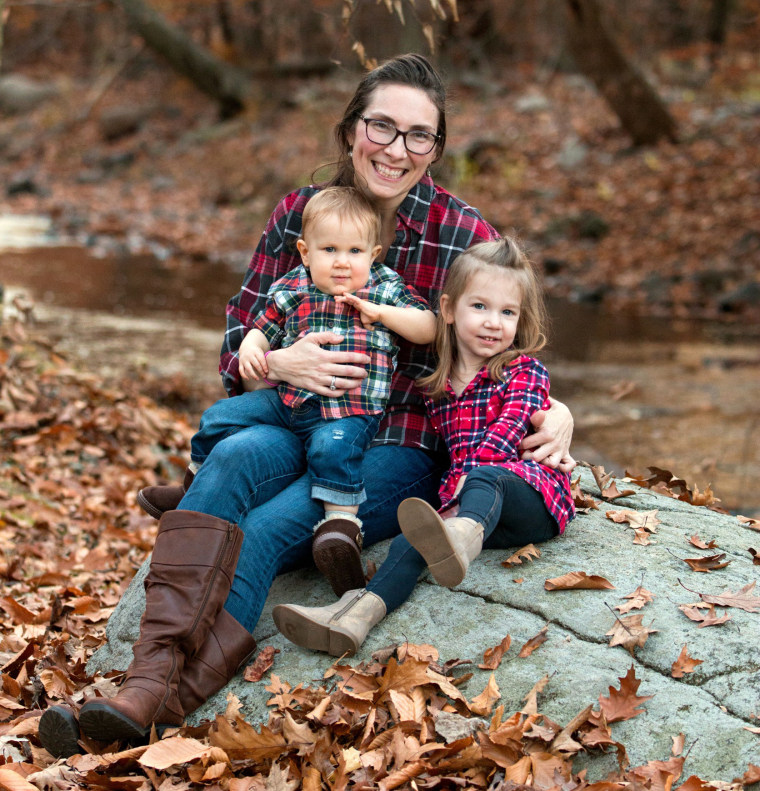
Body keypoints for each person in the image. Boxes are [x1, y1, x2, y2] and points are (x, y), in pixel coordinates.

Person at [38, 53, 574, 758]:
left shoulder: (460, 233)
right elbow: (242, 329)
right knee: (230, 454)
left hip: (396, 444)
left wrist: (557, 407)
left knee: (264, 528)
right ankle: (147, 681)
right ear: (352, 128)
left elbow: (495, 333)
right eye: (382, 126)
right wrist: (274, 360)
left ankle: (167, 699)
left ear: (436, 149)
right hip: (295, 413)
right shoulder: (300, 211)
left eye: (420, 135)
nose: (397, 148)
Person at [272, 237, 574, 656]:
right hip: (475, 508)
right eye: (480, 307)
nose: (493, 322)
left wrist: (466, 487)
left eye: (508, 313)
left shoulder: (522, 370)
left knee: (486, 479)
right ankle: (354, 615)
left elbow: (509, 428)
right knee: (410, 540)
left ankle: (460, 537)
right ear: (448, 310)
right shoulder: (437, 389)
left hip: (529, 495)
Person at [140, 187, 435, 597]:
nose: (341, 261)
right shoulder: (293, 286)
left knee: (332, 452)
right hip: (288, 403)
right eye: (329, 249)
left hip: (347, 412)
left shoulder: (383, 288)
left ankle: (341, 530)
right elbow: (261, 329)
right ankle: (192, 485)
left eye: (354, 251)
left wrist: (384, 314)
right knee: (220, 417)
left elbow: (429, 326)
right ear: (305, 251)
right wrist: (253, 349)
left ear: (374, 254)